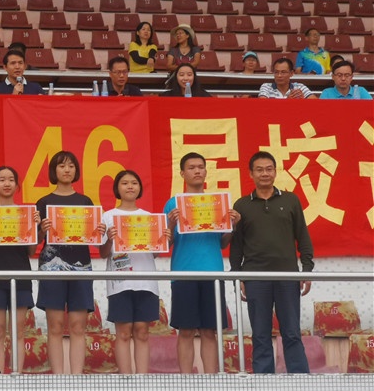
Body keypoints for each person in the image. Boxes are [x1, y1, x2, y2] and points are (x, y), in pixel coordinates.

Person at [230, 151, 314, 374]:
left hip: (287, 276)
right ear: (251, 174)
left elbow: (303, 236)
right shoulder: (241, 205)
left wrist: (307, 270)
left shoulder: (290, 200)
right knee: (260, 333)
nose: (265, 173)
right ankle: (263, 380)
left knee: (292, 332)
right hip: (255, 278)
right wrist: (237, 276)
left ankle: (299, 379)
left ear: (275, 172)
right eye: (259, 170)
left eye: (269, 169)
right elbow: (236, 246)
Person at [164, 152, 240, 374]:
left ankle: (211, 380)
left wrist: (233, 226)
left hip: (213, 274)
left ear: (206, 171)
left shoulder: (217, 203)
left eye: (200, 167)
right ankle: (186, 381)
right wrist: (170, 224)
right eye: (191, 167)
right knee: (186, 331)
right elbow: (165, 244)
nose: (197, 171)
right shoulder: (173, 204)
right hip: (183, 274)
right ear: (182, 173)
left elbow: (223, 243)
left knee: (209, 331)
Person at [36, 151, 106, 374]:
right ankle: (58, 379)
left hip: (81, 266)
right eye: (61, 166)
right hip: (51, 268)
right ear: (53, 171)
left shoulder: (85, 202)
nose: (66, 170)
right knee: (55, 326)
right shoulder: (44, 202)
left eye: (71, 166)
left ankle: (76, 378)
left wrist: (99, 231)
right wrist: (41, 230)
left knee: (77, 326)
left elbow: (96, 241)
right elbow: (34, 241)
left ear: (76, 171)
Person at [100, 170, 167, 374]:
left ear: (140, 188)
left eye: (134, 183)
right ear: (117, 188)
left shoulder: (149, 218)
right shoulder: (108, 216)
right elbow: (103, 253)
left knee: (142, 332)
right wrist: (110, 239)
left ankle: (142, 380)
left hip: (146, 281)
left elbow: (154, 254)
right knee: (123, 333)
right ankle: (126, 380)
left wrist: (163, 239)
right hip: (119, 284)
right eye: (125, 183)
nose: (130, 186)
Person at [0, 166, 40, 373]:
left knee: (18, 330)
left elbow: (31, 251)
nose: (6, 183)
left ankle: (16, 375)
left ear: (17, 185)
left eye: (11, 179)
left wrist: (34, 227)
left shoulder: (25, 214)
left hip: (20, 277)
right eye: (1, 179)